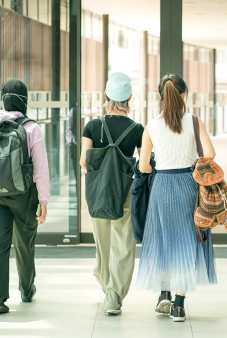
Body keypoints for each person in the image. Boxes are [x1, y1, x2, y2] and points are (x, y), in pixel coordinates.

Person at [136, 74, 217, 322]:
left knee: (162, 239)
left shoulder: (151, 125)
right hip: (187, 184)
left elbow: (144, 167)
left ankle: (164, 293)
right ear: (184, 95)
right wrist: (191, 164)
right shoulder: (194, 121)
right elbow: (210, 154)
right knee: (185, 242)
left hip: (161, 185)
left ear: (161, 96)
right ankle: (179, 306)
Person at [0, 79, 49, 314]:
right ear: (24, 100)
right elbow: (40, 169)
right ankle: (26, 289)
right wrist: (43, 201)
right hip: (23, 195)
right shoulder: (31, 128)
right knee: (24, 242)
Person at [80, 72, 144, 315]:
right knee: (123, 244)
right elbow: (145, 164)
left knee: (103, 242)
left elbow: (83, 162)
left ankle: (106, 283)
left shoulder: (93, 126)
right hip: (125, 192)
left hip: (97, 193)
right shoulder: (138, 130)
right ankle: (114, 296)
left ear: (106, 97)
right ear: (129, 98)